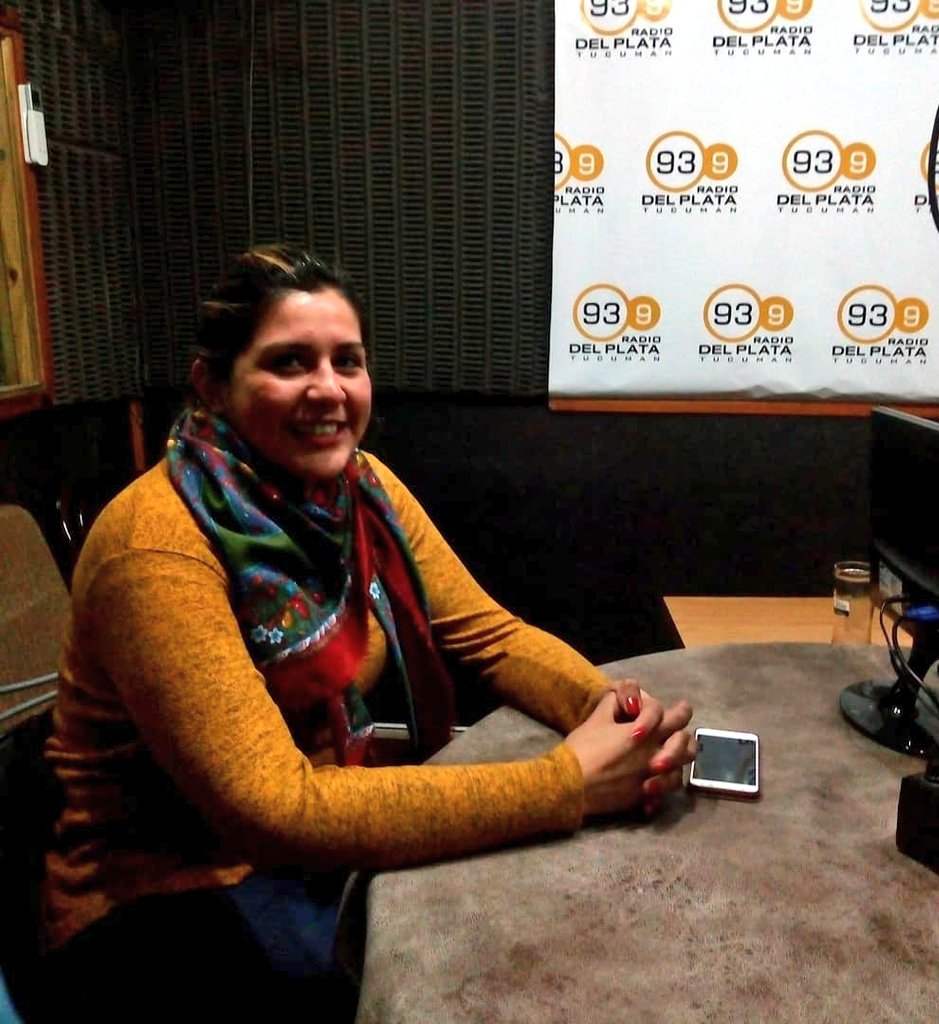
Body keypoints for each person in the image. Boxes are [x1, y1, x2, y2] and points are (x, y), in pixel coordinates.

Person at [40, 244, 696, 1019]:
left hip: (310, 857)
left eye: (346, 361)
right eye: (289, 362)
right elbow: (274, 811)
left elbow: (490, 636)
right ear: (212, 386)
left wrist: (617, 718)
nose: (329, 388)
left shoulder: (364, 489)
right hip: (165, 905)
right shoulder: (157, 546)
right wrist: (568, 786)